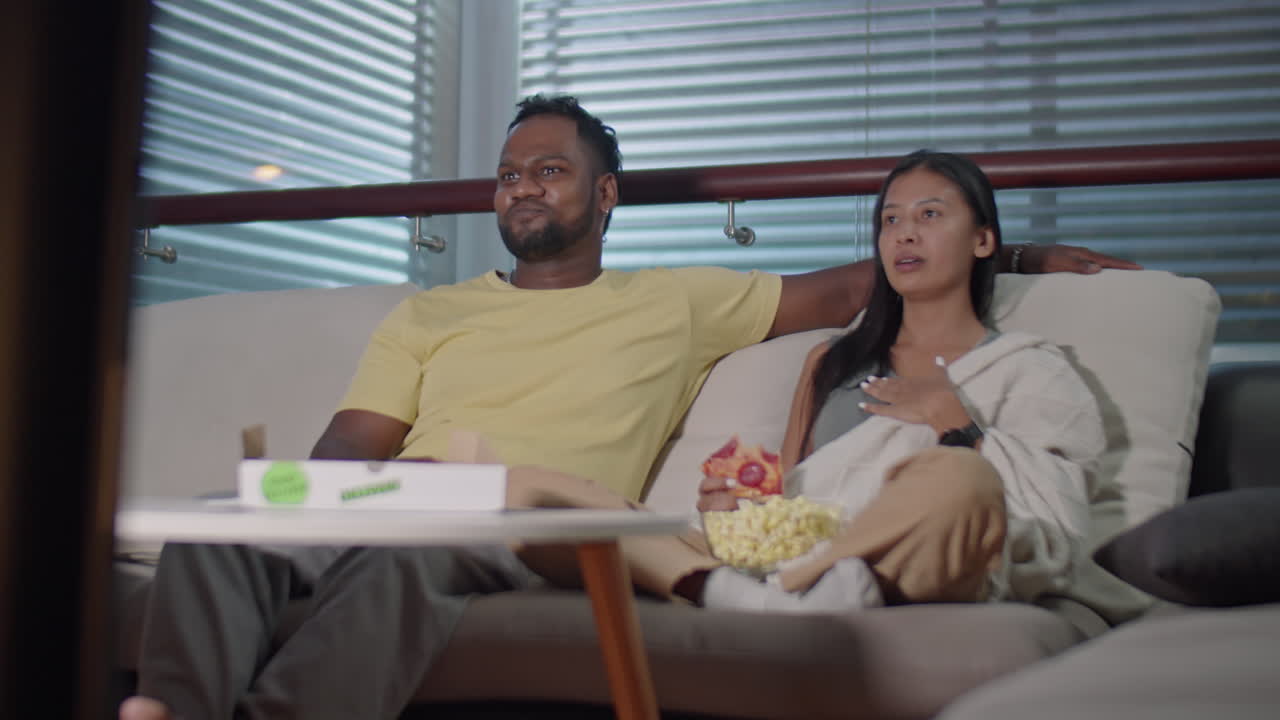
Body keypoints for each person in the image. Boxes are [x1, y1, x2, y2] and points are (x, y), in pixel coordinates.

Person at [120, 97, 1137, 720]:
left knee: (401, 561)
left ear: (605, 196)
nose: (522, 189)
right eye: (510, 175)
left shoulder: (675, 300)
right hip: (389, 492)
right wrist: (299, 499)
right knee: (221, 523)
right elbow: (349, 445)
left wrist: (1026, 259)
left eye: (549, 171)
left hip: (525, 522)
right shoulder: (432, 314)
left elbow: (857, 284)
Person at [695, 150, 1107, 615]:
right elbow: (789, 496)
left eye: (929, 214)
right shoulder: (830, 360)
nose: (905, 234)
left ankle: (794, 592)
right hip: (809, 549)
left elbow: (1056, 516)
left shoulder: (1028, 369)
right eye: (890, 221)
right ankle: (810, 587)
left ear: (983, 240)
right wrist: (733, 512)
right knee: (608, 514)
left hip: (932, 555)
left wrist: (957, 427)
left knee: (959, 477)